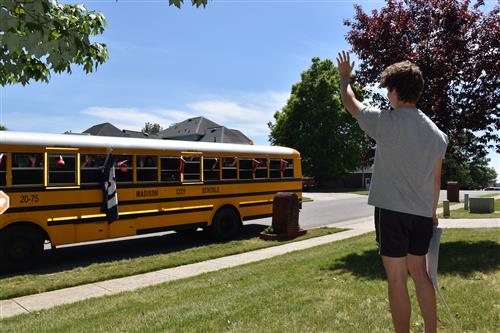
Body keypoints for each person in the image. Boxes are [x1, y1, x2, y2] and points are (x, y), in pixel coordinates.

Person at [337, 51, 448, 333]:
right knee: (420, 274)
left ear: (396, 90)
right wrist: (432, 212)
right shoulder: (437, 135)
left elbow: (349, 101)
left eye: (388, 90)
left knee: (397, 278)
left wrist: (345, 77)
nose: (387, 96)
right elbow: (436, 181)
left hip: (392, 213)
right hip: (422, 215)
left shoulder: (385, 121)